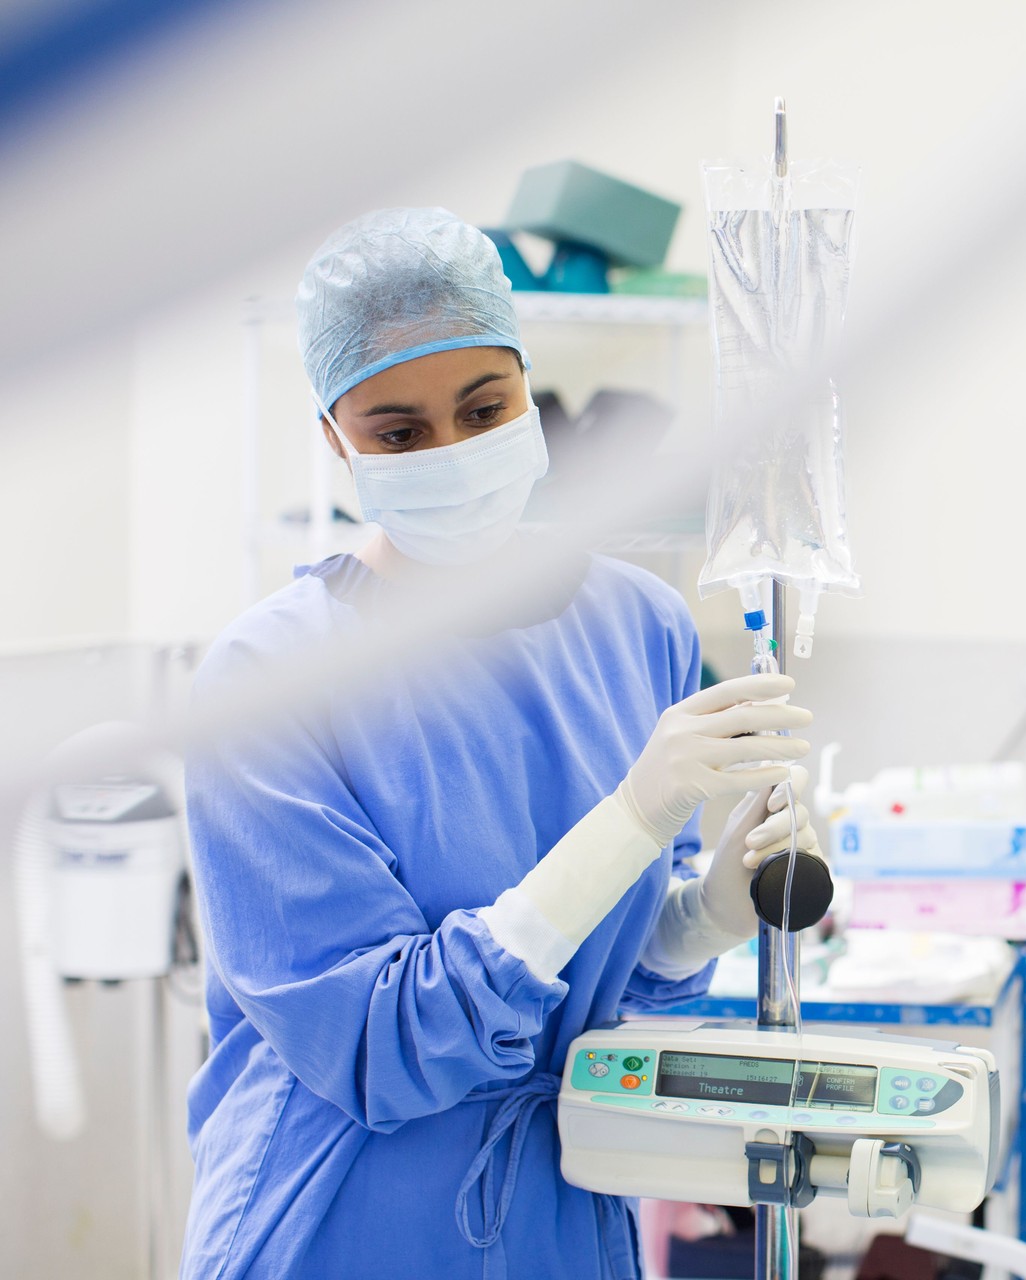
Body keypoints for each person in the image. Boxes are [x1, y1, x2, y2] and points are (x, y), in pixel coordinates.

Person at [180, 207, 817, 1279]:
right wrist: (628, 819)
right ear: (334, 437)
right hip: (345, 1221)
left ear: (529, 384)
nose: (454, 452)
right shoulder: (266, 685)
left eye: (485, 407)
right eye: (398, 432)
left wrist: (703, 910)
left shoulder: (636, 622)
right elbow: (385, 1045)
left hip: (558, 1217)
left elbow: (609, 975)